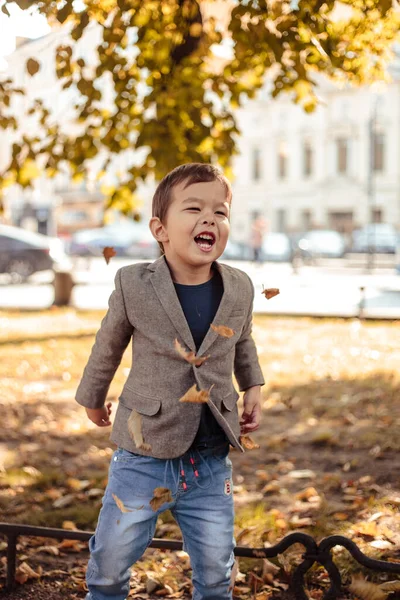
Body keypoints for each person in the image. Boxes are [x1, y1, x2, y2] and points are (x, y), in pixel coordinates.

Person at [75, 163, 265, 600]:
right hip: (143, 455)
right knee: (110, 561)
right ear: (160, 228)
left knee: (217, 572)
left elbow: (243, 341)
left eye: (221, 212)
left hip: (211, 459)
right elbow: (108, 345)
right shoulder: (133, 283)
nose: (209, 219)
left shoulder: (239, 286)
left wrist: (252, 386)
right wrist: (93, 396)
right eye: (194, 208)